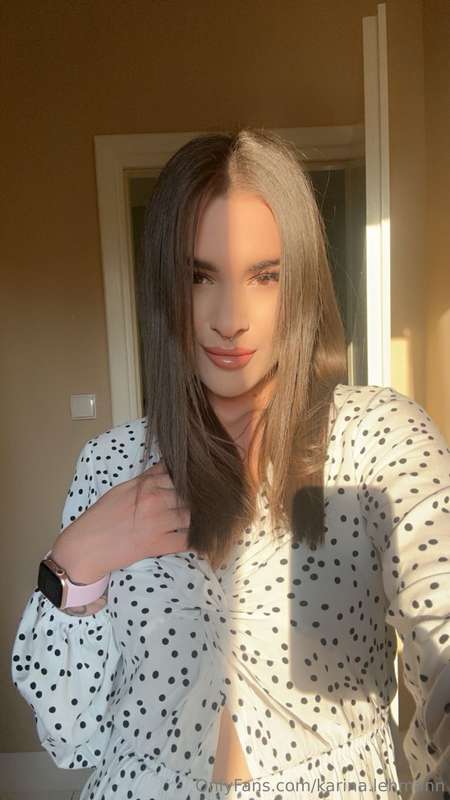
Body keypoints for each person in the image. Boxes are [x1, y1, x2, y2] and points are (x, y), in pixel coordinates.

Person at [11, 128, 450, 800]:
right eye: (199, 276)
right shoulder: (108, 463)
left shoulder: (376, 440)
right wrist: (77, 561)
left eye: (265, 276)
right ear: (166, 287)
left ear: (301, 284)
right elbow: (70, 737)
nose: (230, 319)